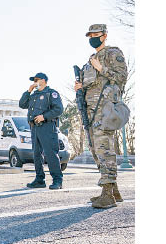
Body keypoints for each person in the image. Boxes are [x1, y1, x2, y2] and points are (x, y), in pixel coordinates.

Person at [74, 24, 128, 209]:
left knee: (104, 148)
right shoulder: (89, 61)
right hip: (90, 111)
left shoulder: (113, 53)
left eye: (96, 35)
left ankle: (107, 194)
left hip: (105, 109)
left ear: (104, 36)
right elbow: (90, 85)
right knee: (96, 149)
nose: (92, 38)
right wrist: (80, 88)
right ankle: (114, 192)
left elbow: (121, 78)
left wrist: (101, 68)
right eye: (90, 35)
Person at [19, 72, 64, 190]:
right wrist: (28, 91)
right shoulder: (33, 95)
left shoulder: (51, 93)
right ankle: (39, 179)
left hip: (47, 126)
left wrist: (44, 116)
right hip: (34, 128)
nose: (34, 82)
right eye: (33, 81)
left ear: (43, 80)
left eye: (36, 80)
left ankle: (57, 180)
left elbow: (58, 109)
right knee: (36, 154)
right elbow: (22, 104)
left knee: (50, 154)